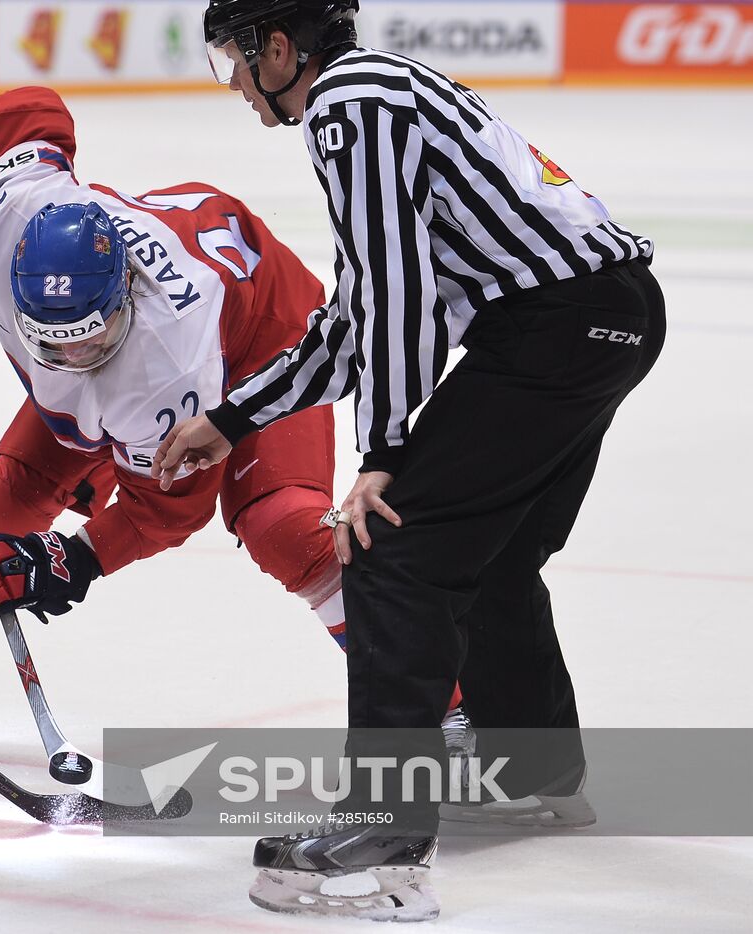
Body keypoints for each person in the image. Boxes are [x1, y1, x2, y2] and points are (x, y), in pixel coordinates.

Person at [150, 0, 665, 920]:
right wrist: (234, 418)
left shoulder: (349, 100)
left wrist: (385, 451)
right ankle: (538, 770)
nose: (234, 84)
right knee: (492, 553)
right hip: (607, 318)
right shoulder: (386, 91)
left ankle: (386, 819)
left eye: (233, 59)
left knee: (393, 549)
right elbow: (354, 319)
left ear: (280, 47)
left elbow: (397, 297)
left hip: (553, 331)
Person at [0, 86, 470, 758]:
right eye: (54, 342)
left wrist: (74, 560)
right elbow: (30, 111)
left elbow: (168, 510)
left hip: (257, 332)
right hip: (168, 294)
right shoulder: (10, 211)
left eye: (90, 340)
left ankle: (443, 706)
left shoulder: (166, 372)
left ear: (125, 290)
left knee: (282, 528)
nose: (73, 356)